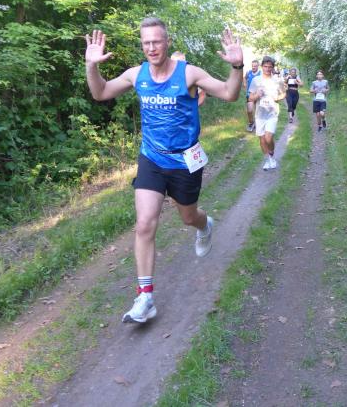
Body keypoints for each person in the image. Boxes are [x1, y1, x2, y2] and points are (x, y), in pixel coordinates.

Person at [84, 18, 244, 324]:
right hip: (152, 160)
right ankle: (145, 297)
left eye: (156, 41)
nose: (151, 47)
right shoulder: (136, 75)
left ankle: (204, 226)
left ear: (167, 42)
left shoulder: (189, 73)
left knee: (188, 217)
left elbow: (229, 93)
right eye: (146, 43)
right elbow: (101, 92)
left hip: (185, 162)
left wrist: (237, 67)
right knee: (144, 224)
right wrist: (91, 66)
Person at [248, 56, 285, 170]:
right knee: (262, 139)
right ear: (262, 67)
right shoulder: (256, 80)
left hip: (272, 113)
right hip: (260, 114)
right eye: (265, 66)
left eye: (270, 67)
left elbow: (284, 93)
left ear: (273, 68)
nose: (267, 69)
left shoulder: (277, 80)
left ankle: (271, 154)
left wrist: (277, 98)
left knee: (268, 138)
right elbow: (250, 97)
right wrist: (257, 95)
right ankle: (268, 159)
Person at [244, 60, 261, 132]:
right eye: (252, 66)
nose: (253, 67)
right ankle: (251, 123)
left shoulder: (261, 73)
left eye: (255, 66)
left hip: (259, 95)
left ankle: (260, 125)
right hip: (250, 94)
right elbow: (244, 78)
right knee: (250, 110)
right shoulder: (248, 72)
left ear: (258, 66)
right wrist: (245, 83)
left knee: (259, 111)